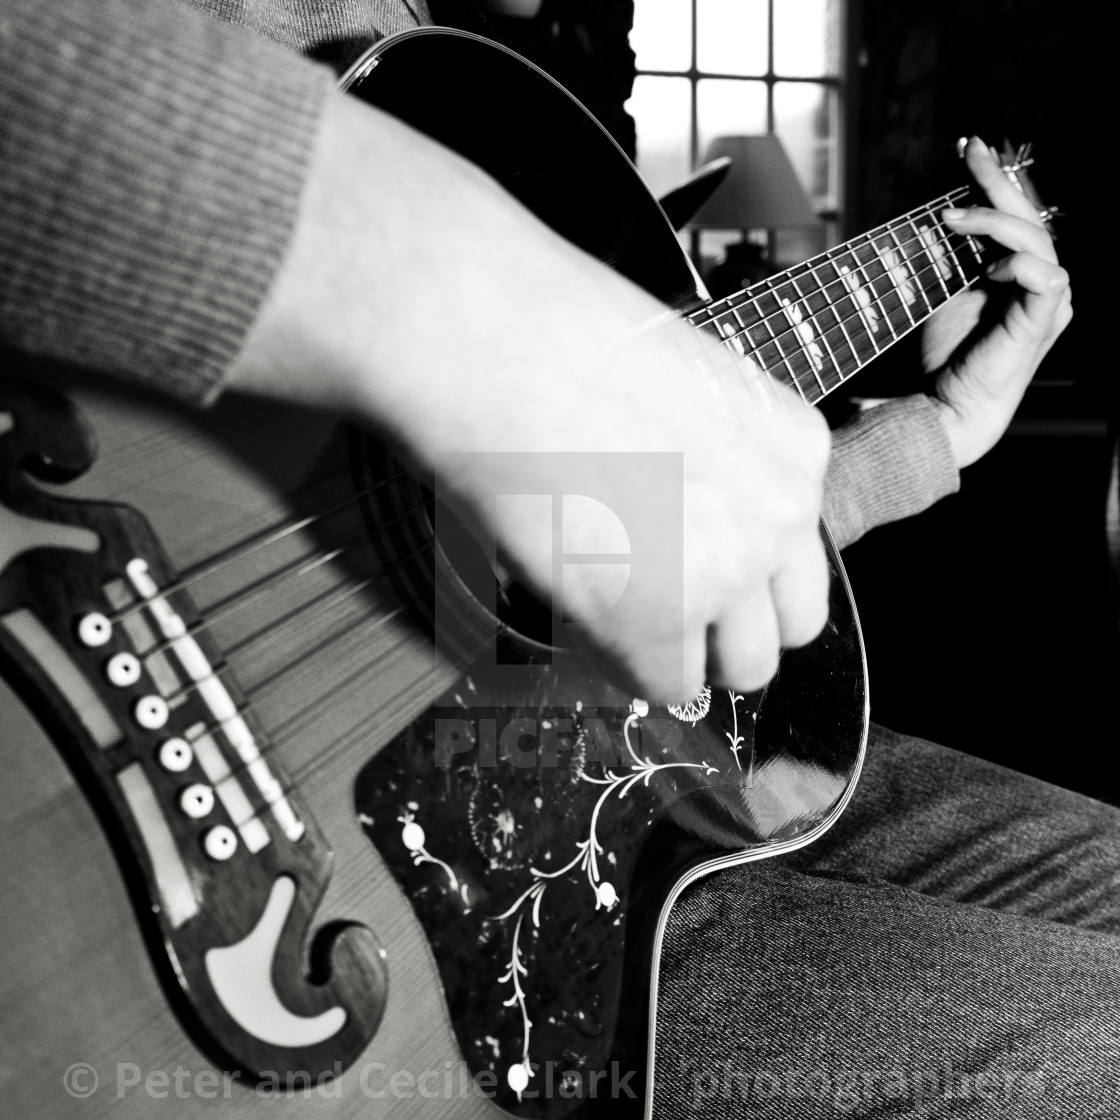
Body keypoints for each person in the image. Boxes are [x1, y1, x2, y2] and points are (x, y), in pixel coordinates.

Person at [2, 0, 1115, 1117]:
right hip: (411, 893)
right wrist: (482, 308)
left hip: (631, 791)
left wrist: (935, 428)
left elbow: (604, 524)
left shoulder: (472, 52)